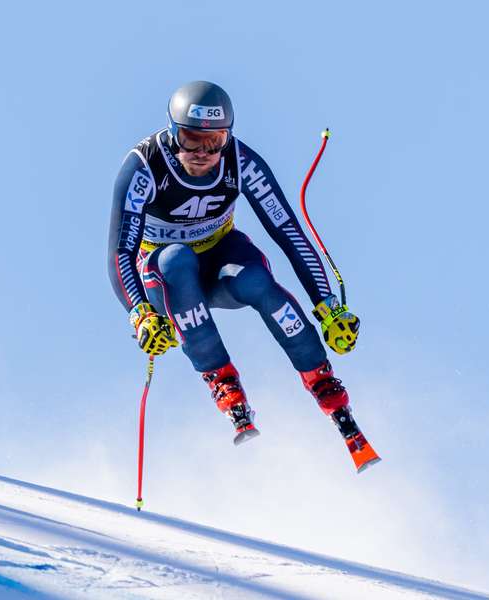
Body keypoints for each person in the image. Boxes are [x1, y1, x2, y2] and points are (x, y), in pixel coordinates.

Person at [107, 80, 365, 449]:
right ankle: (221, 379)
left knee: (255, 278)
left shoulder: (241, 161)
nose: (202, 153)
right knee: (177, 258)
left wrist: (328, 308)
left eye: (214, 142)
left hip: (219, 264)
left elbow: (288, 232)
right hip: (165, 275)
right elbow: (120, 253)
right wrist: (140, 313)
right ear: (171, 132)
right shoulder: (145, 166)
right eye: (191, 139)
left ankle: (321, 379)